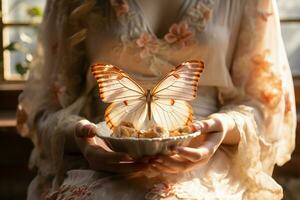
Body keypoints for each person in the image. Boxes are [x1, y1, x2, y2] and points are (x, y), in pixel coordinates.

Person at [16, 0, 296, 199]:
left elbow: (266, 106)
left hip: (206, 160)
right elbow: (46, 110)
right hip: (104, 156)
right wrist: (83, 138)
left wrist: (219, 129)